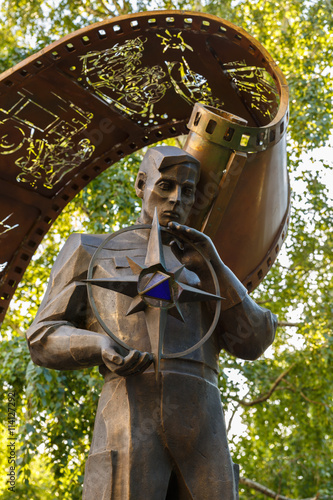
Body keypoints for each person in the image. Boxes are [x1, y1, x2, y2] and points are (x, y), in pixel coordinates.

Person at [26, 145, 277, 500]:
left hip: (202, 417)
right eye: (166, 185)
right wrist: (98, 346)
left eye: (188, 191)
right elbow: (42, 336)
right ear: (141, 183)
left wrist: (213, 267)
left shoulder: (203, 263)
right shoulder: (88, 248)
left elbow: (254, 341)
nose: (176, 198)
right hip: (127, 404)